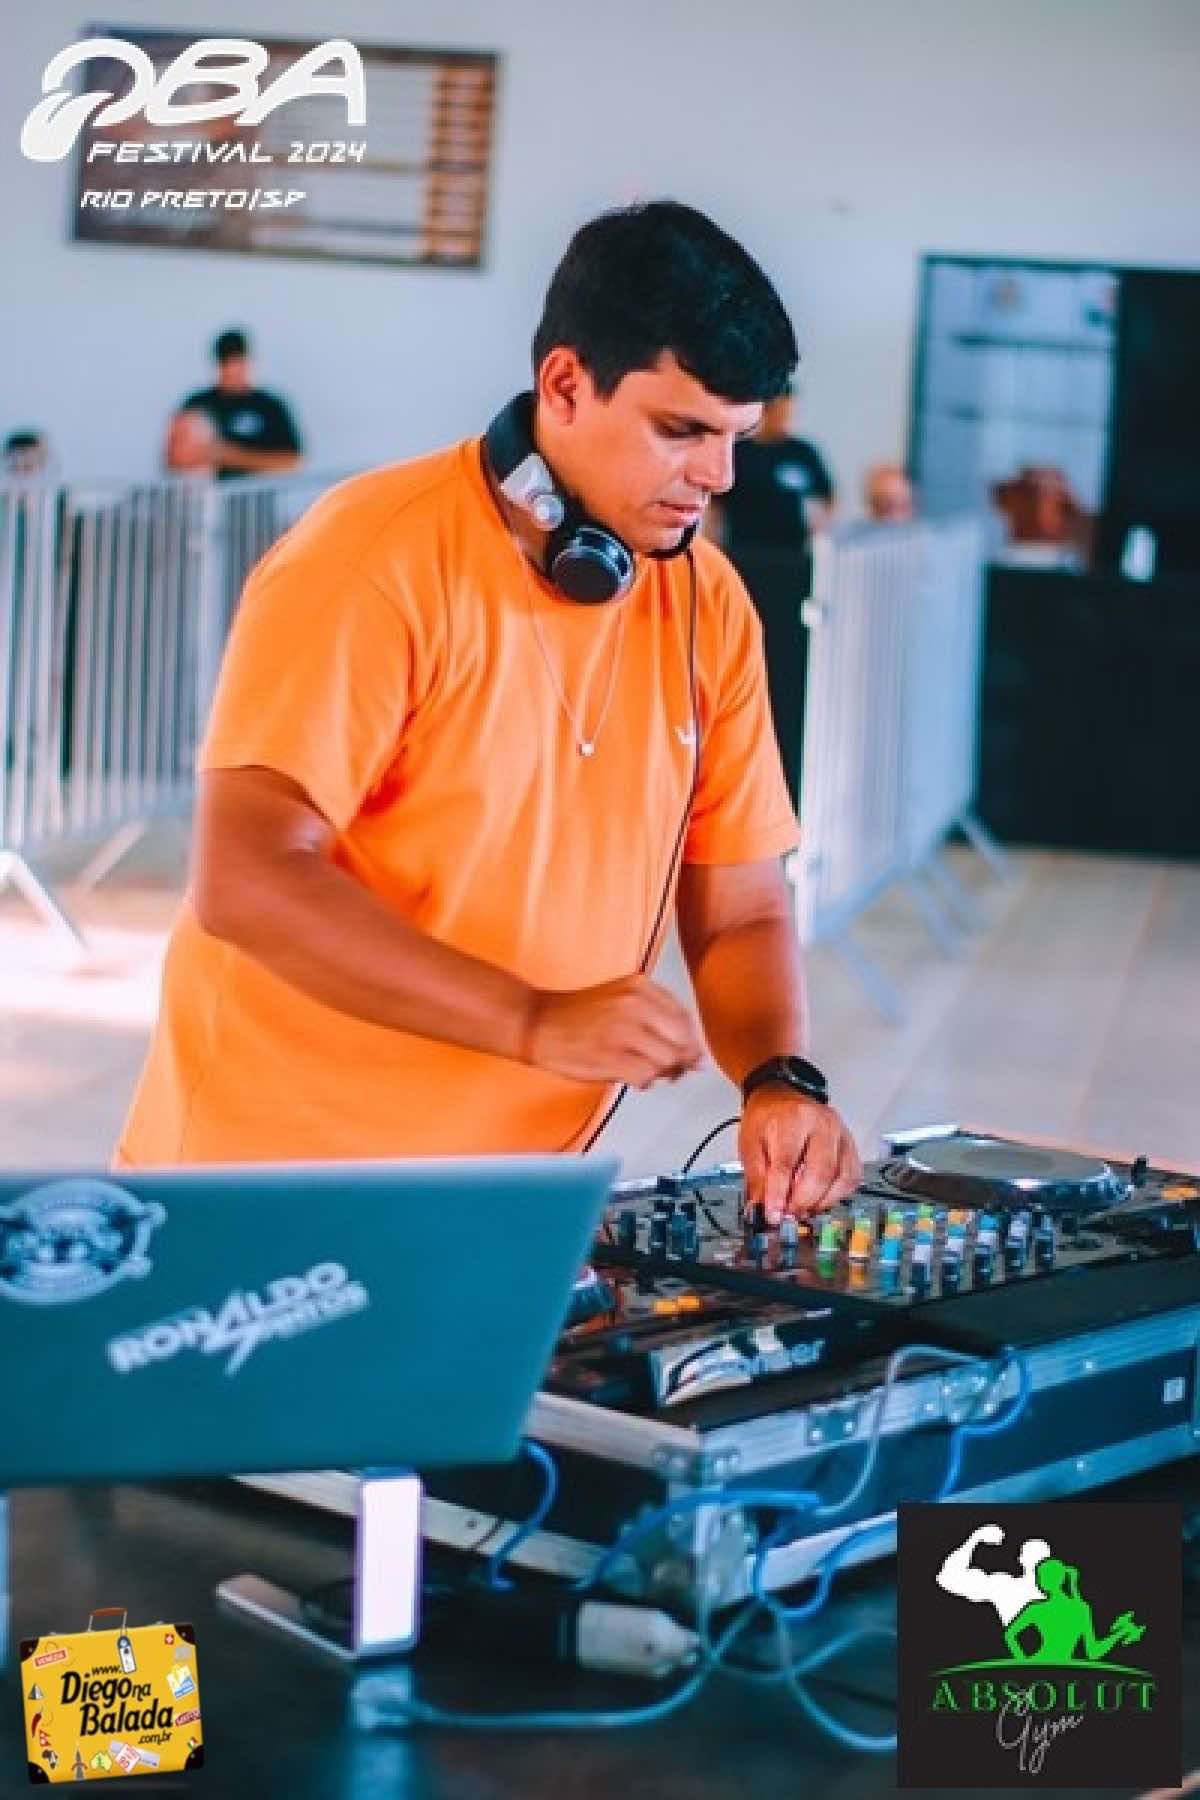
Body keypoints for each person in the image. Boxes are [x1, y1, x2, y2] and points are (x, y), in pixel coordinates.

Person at [117, 200, 861, 1223]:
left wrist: (780, 1078)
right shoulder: (370, 557)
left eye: (734, 437)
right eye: (680, 430)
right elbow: (247, 877)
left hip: (510, 1198)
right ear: (565, 384)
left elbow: (741, 911)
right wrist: (533, 1020)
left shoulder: (709, 605)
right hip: (267, 1182)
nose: (716, 476)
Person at [705, 384, 835, 803]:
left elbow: (827, 497)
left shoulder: (803, 454)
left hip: (793, 567)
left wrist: (819, 536)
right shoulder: (743, 455)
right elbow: (716, 509)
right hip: (747, 562)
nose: (786, 417)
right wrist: (711, 552)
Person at [165, 329, 304, 480]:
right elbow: (172, 458)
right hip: (209, 492)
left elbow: (293, 462)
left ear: (248, 362)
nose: (232, 369)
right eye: (226, 362)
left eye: (237, 361)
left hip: (261, 492)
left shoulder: (270, 406)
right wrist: (197, 454)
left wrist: (230, 455)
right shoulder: (198, 404)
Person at [936, 1523, 1053, 1628]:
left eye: (1040, 1555)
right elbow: (948, 1577)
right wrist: (976, 1537)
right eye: (1032, 1553)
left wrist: (976, 1537)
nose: (1037, 1560)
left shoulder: (1063, 1589)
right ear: (1021, 1559)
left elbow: (947, 1577)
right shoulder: (1005, 1587)